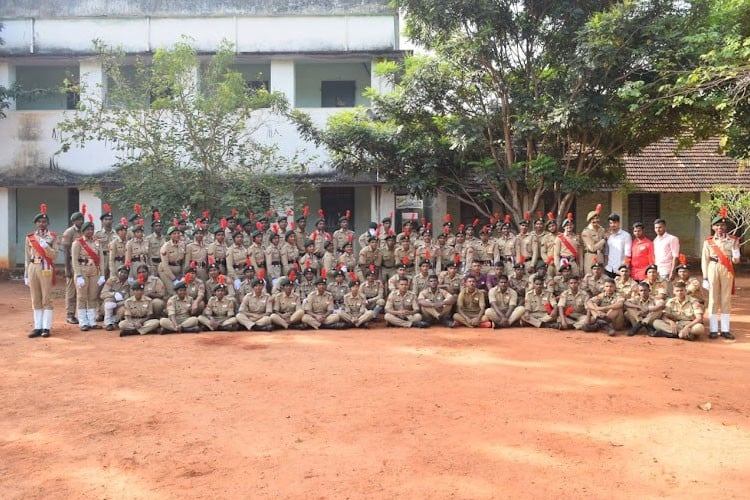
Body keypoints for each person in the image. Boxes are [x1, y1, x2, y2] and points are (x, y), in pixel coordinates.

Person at [701, 208, 741, 339]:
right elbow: (704, 260)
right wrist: (705, 277)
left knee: (726, 298)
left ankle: (725, 329)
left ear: (726, 226)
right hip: (713, 267)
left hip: (727, 269)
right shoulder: (708, 241)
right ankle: (713, 329)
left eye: (722, 225)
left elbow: (736, 260)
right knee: (713, 298)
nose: (720, 227)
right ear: (713, 227)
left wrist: (736, 254)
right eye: (717, 225)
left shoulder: (733, 240)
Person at [25, 204, 58, 338]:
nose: (41, 223)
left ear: (48, 223)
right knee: (35, 297)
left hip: (45, 268)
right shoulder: (30, 237)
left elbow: (55, 255)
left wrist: (47, 248)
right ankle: (37, 327)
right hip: (33, 267)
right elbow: (27, 257)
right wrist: (26, 274)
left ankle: (46, 327)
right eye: (39, 222)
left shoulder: (53, 237)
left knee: (46, 297)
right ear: (35, 224)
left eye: (44, 221)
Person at [72, 216, 106, 331]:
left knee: (92, 296)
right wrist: (78, 275)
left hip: (94, 272)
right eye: (87, 229)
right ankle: (83, 322)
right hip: (82, 270)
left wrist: (102, 274)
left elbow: (101, 259)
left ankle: (92, 321)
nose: (90, 231)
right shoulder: (78, 243)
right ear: (83, 231)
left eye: (91, 229)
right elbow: (74, 260)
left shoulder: (97, 243)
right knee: (82, 296)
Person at [62, 210, 84, 324]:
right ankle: (70, 314)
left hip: (83, 264)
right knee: (71, 290)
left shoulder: (84, 231)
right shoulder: (69, 232)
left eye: (81, 219)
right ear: (73, 221)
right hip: (72, 263)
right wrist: (67, 268)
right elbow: (65, 251)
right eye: (78, 219)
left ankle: (83, 314)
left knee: (83, 289)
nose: (80, 221)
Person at [100, 265, 131, 331]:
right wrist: (113, 294)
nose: (123, 274)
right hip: (106, 307)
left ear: (128, 275)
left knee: (125, 308)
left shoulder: (128, 285)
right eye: (121, 272)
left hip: (118, 306)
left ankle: (114, 321)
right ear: (118, 273)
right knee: (109, 299)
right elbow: (102, 294)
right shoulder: (112, 280)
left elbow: (128, 299)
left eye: (125, 273)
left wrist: (117, 304)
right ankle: (108, 323)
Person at [158, 226, 186, 296]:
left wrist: (183, 275)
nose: (177, 235)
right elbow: (165, 265)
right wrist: (174, 279)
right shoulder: (166, 247)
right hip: (166, 270)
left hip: (178, 269)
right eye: (174, 234)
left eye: (178, 233)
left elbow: (183, 262)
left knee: (182, 290)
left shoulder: (182, 245)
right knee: (172, 291)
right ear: (170, 235)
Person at [604, 213, 631, 278]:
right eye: (610, 223)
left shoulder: (626, 235)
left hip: (620, 269)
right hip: (609, 268)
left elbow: (628, 254)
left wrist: (624, 268)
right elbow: (607, 252)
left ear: (619, 223)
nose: (613, 225)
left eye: (615, 223)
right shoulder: (608, 236)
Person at [580, 206, 606, 273]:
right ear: (589, 220)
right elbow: (592, 248)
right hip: (590, 256)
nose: (595, 220)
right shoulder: (586, 232)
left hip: (600, 256)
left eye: (597, 218)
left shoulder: (602, 230)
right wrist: (603, 240)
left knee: (601, 277)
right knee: (590, 277)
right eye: (593, 219)